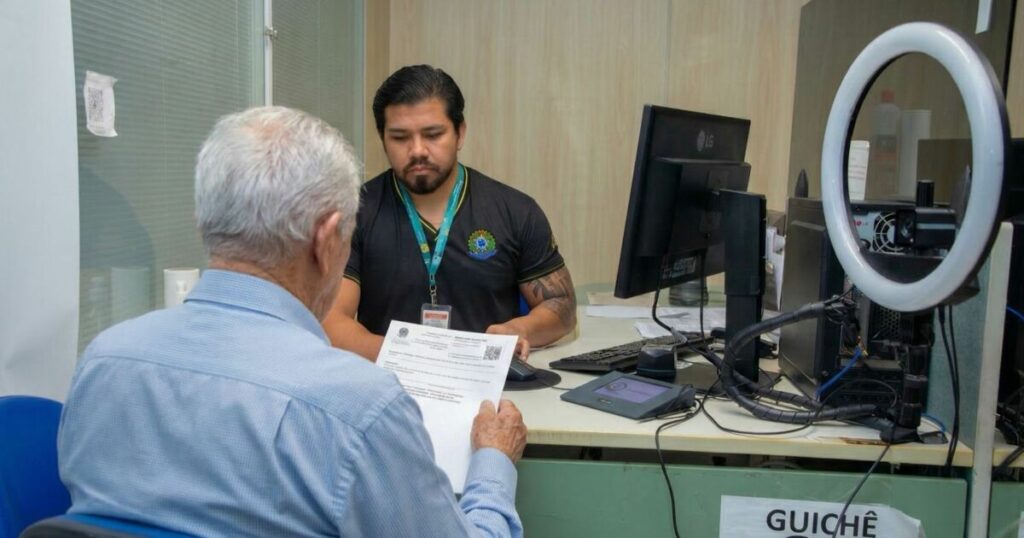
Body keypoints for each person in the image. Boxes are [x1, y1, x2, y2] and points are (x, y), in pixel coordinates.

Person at [58, 106, 528, 537]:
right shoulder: (360, 409)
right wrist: (492, 464)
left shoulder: (101, 361)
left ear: (204, 222)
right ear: (325, 241)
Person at [323, 65, 577, 361]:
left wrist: (518, 329)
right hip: (392, 389)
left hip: (494, 393)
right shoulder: (353, 212)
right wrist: (418, 360)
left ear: (460, 133)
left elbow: (563, 305)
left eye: (433, 134)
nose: (417, 150)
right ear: (383, 139)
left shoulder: (515, 210)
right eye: (400, 137)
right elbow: (331, 321)